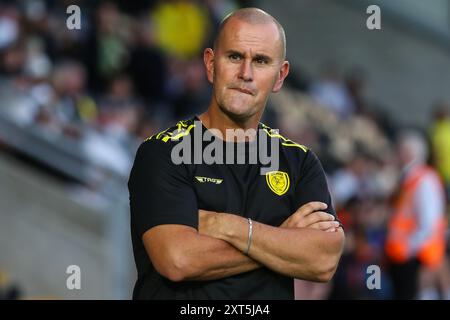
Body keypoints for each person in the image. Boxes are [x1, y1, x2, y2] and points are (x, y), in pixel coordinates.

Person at [128, 7, 345, 299]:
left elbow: (322, 260)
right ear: (210, 63)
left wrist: (224, 225)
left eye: (261, 61)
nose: (246, 73)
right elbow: (177, 260)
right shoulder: (162, 153)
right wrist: (283, 238)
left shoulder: (301, 163)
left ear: (280, 76)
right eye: (234, 57)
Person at [385, 130, 447, 299]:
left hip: (418, 257)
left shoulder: (425, 179)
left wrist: (408, 248)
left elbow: (429, 223)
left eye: (398, 151)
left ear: (408, 153)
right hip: (405, 256)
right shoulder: (408, 180)